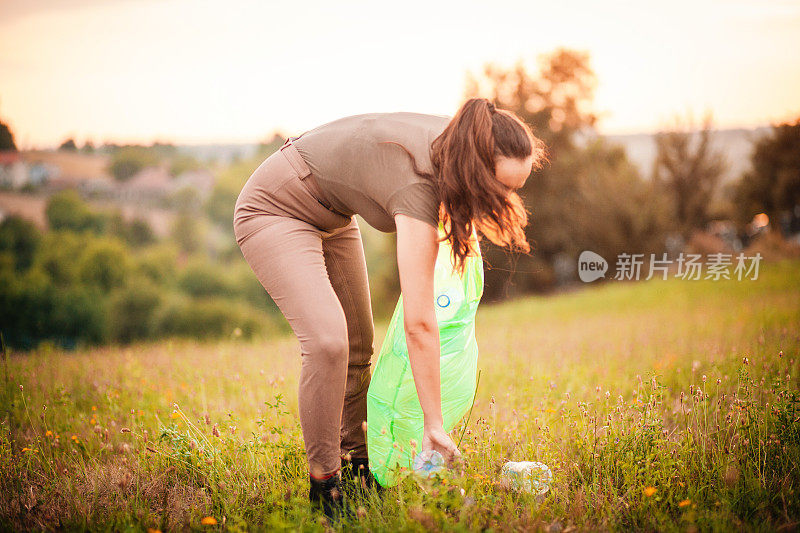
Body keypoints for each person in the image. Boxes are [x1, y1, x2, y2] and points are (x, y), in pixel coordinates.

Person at [232, 97, 546, 519]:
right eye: (501, 187)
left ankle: (358, 467)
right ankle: (325, 490)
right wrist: (434, 425)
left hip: (333, 216)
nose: (505, 199)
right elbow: (419, 322)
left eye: (514, 188)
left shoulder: (460, 144)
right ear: (475, 169)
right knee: (328, 342)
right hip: (275, 209)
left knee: (358, 346)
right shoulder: (418, 183)